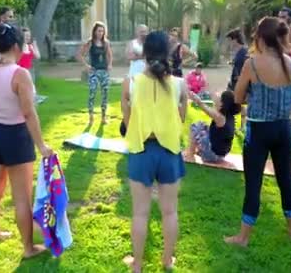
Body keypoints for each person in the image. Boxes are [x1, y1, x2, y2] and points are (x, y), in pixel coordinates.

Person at [0, 23, 53, 258]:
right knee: (21, 197)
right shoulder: (19, 73)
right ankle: (28, 248)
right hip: (17, 137)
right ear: (16, 46)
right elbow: (28, 113)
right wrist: (42, 145)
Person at [225, 17, 291, 247]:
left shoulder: (252, 64)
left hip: (259, 130)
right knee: (286, 180)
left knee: (253, 184)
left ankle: (243, 238)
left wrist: (252, 96)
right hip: (284, 128)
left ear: (260, 37)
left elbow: (237, 97)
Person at [121, 31, 187, 272]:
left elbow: (127, 122)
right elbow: (181, 118)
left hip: (141, 151)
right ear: (168, 53)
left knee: (140, 213)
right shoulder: (180, 84)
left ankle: (137, 264)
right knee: (170, 212)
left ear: (144, 53)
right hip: (169, 152)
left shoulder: (131, 82)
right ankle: (167, 261)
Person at [185, 90, 241, 162]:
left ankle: (190, 155)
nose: (216, 96)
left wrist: (196, 99)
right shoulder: (229, 116)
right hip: (221, 154)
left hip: (213, 155)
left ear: (222, 104)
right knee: (204, 126)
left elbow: (204, 107)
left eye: (219, 96)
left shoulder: (219, 117)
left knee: (196, 126)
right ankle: (196, 150)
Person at [77, 22, 113, 125]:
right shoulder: (90, 43)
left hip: (104, 71)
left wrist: (110, 64)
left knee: (105, 94)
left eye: (102, 31)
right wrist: (86, 66)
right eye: (99, 31)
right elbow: (80, 55)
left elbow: (110, 55)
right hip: (94, 71)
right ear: (94, 31)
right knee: (92, 93)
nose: (100, 33)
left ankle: (103, 117)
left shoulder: (106, 43)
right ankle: (91, 117)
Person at [226, 28, 249, 132]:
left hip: (238, 83)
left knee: (235, 104)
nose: (229, 44)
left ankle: (240, 126)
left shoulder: (243, 52)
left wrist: (240, 80)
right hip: (234, 82)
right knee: (235, 104)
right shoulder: (240, 51)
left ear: (234, 40)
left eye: (230, 41)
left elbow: (243, 69)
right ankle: (238, 125)